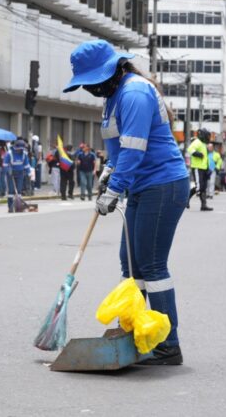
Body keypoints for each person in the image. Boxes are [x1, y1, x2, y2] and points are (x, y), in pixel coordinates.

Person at [65, 39, 189, 365]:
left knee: (151, 265)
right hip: (141, 186)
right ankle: (134, 333)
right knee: (130, 265)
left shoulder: (134, 93)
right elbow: (119, 152)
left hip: (162, 186)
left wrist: (115, 188)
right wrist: (109, 171)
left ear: (112, 71)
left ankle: (167, 345)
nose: (90, 88)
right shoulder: (112, 98)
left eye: (92, 81)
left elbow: (134, 150)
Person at [186, 128, 213, 211]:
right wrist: (197, 154)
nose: (208, 138)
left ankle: (203, 205)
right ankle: (186, 200)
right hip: (197, 168)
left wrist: (208, 168)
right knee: (199, 187)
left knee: (203, 187)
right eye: (207, 136)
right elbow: (190, 149)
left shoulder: (203, 144)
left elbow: (205, 158)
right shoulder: (197, 142)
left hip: (204, 168)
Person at [4, 139, 32, 212]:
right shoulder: (9, 153)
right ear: (15, 147)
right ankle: (10, 207)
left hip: (20, 174)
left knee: (19, 191)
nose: (19, 151)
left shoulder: (24, 154)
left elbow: (26, 164)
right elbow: (5, 164)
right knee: (11, 191)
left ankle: (18, 207)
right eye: (19, 149)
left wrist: (29, 173)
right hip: (11, 174)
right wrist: (8, 170)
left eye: (21, 149)